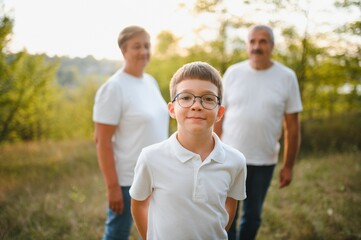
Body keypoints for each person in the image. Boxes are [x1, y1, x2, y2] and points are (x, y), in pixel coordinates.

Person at [129, 61, 247, 240]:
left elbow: (229, 205)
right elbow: (139, 205)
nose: (196, 105)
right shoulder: (151, 157)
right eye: (185, 97)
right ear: (172, 109)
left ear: (220, 112)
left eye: (208, 98)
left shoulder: (235, 161)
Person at [214, 25, 303, 240]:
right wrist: (213, 152)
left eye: (263, 41)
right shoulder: (233, 73)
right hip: (230, 158)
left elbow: (292, 126)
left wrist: (288, 165)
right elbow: (219, 116)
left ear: (272, 45)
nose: (257, 46)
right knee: (226, 214)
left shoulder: (287, 77)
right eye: (252, 41)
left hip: (264, 160)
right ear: (247, 45)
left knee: (253, 216)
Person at [93, 26, 169, 240]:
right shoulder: (113, 88)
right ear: (123, 50)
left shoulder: (150, 81)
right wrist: (113, 188)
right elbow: (102, 141)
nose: (144, 51)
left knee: (157, 232)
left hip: (159, 176)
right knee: (117, 233)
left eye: (147, 45)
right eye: (137, 46)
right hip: (129, 179)